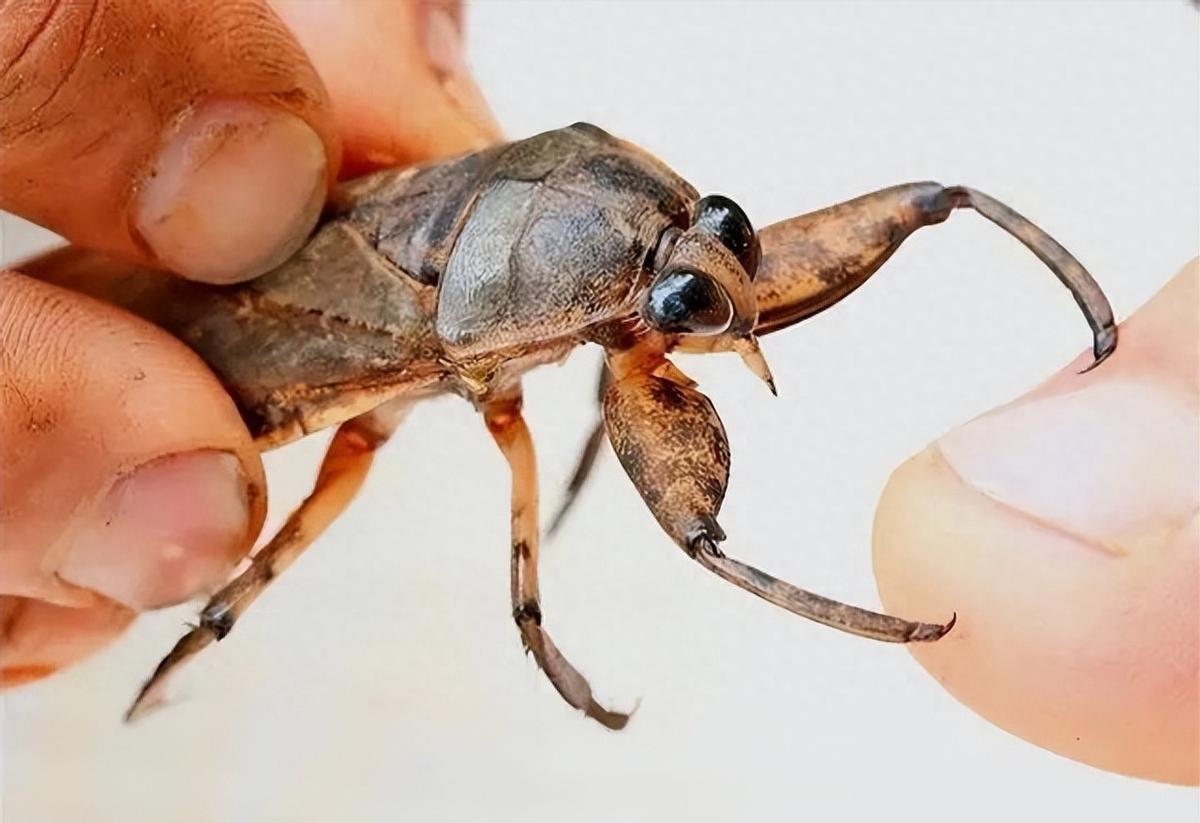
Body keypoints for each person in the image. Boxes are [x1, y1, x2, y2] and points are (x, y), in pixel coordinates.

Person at [1, 0, 1194, 787]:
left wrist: (942, 206)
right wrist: (543, 604)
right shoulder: (515, 338)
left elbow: (930, 198)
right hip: (233, 359)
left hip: (355, 282)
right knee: (305, 518)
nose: (724, 277)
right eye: (681, 310)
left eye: (716, 235)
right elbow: (695, 533)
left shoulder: (621, 276)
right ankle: (246, 626)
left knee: (930, 199)